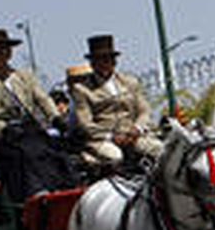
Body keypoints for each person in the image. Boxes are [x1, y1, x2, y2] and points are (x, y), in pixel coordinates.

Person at [0, 28, 74, 201]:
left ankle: (66, 187)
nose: (2, 53)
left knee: (56, 149)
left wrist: (56, 118)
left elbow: (42, 98)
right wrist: (3, 129)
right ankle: (35, 193)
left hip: (29, 128)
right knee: (23, 153)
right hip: (2, 137)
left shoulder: (24, 76)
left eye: (5, 48)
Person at [70, 34, 164, 171]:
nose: (105, 63)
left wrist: (137, 129)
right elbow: (85, 124)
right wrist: (112, 136)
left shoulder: (130, 82)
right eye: (100, 60)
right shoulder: (82, 90)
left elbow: (144, 110)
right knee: (115, 156)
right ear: (92, 64)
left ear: (115, 61)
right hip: (103, 139)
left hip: (132, 136)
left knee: (160, 149)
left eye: (108, 59)